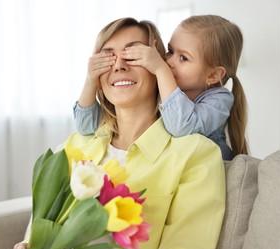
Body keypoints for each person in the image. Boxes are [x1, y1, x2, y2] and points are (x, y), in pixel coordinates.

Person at [11, 17, 225, 249]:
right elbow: (39, 231)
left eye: (134, 55)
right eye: (107, 57)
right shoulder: (72, 147)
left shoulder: (196, 154)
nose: (119, 66)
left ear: (160, 68)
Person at [73, 14, 249, 161]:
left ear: (213, 75)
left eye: (183, 58)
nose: (168, 62)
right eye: (170, 51)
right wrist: (91, 79)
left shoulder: (219, 100)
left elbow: (181, 126)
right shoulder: (164, 95)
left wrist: (159, 69)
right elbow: (85, 126)